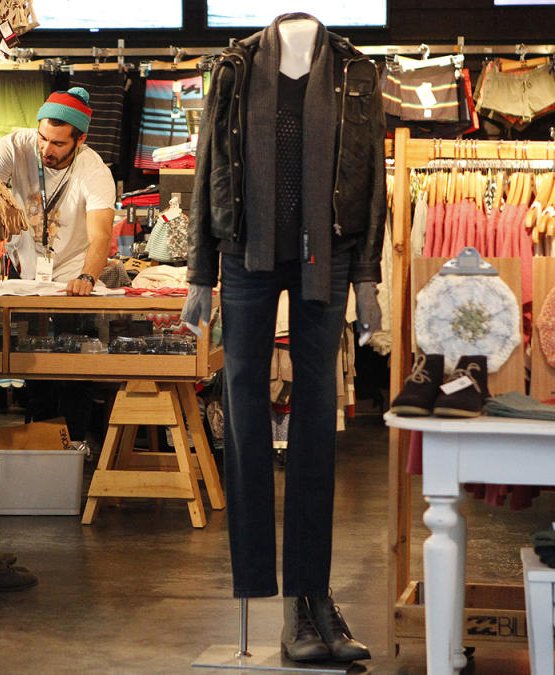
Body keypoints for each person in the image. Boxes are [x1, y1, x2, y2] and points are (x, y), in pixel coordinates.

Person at [182, 13, 384, 664]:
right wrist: (198, 274)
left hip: (326, 254)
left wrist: (371, 278)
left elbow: (372, 179)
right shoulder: (236, 67)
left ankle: (310, 598)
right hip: (246, 251)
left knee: (315, 424)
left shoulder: (356, 69)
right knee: (243, 414)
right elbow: (209, 164)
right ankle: (254, 583)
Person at [0, 87, 116, 296]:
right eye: (42, 137)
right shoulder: (14, 147)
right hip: (21, 268)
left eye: (58, 143)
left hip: (72, 277)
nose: (46, 150)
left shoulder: (95, 172)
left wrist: (87, 277)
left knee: (71, 329)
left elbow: (101, 235)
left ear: (80, 140)